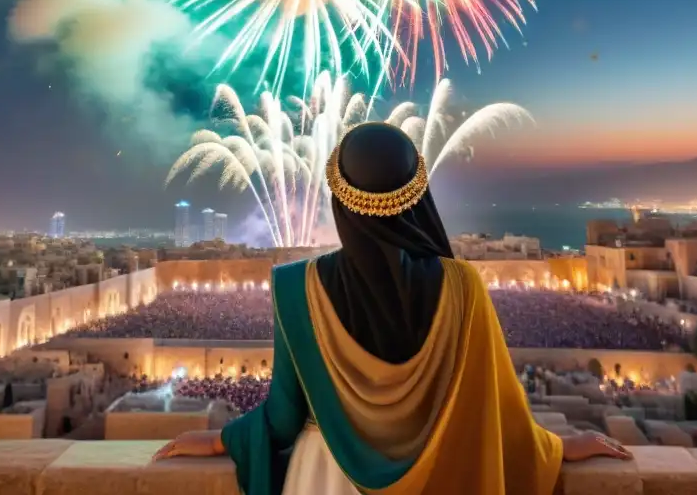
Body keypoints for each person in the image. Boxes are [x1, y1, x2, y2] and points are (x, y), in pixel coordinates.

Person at [153, 123, 631, 494]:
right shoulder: (463, 286)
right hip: (440, 472)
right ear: (417, 191)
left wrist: (220, 440)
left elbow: (282, 417)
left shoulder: (294, 287)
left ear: (338, 197)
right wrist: (555, 447)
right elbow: (496, 407)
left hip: (326, 477)